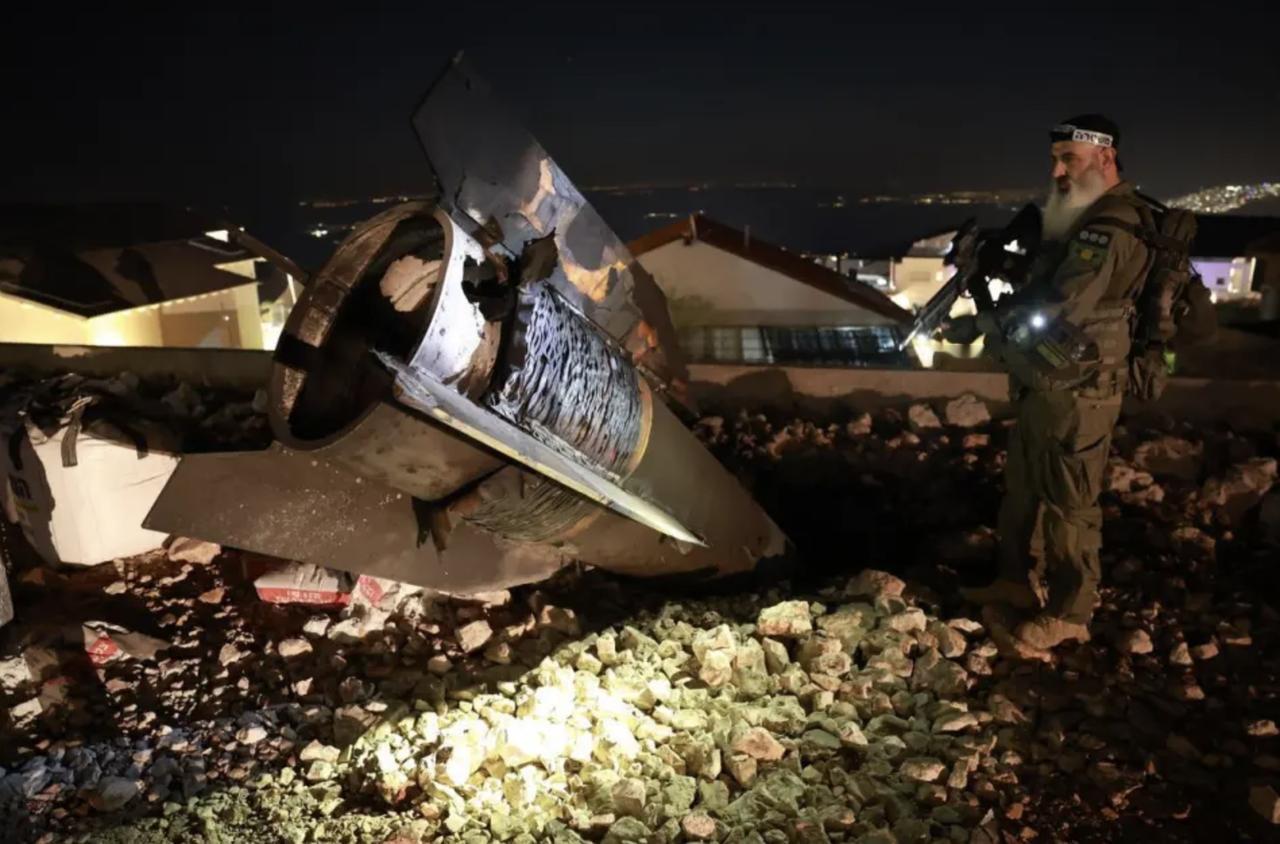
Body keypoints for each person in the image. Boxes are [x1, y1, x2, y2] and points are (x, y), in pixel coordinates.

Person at [942, 115, 1152, 650]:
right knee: (1025, 484)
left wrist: (985, 322)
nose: (1057, 171)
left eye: (1070, 159)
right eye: (1055, 159)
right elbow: (1045, 290)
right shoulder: (1081, 218)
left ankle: (1071, 610)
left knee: (1069, 499)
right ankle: (1015, 580)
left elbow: (1064, 306)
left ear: (1105, 159)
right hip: (1051, 375)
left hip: (1083, 386)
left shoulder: (1112, 225)